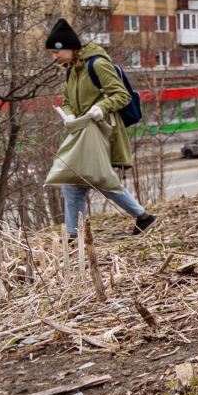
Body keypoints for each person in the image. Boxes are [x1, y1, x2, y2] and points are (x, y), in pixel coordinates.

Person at [46, 19, 155, 240]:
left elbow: (122, 95)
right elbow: (67, 100)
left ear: (69, 47)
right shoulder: (71, 71)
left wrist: (100, 108)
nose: (54, 57)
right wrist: (69, 115)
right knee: (76, 179)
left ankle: (76, 234)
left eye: (56, 52)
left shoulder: (97, 64)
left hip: (103, 130)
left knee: (93, 176)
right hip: (83, 132)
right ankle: (76, 234)